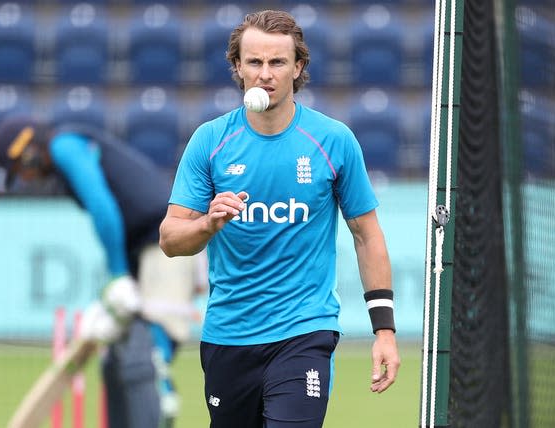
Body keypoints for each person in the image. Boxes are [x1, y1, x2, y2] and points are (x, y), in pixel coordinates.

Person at [159, 9, 400, 428]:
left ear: (298, 67)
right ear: (237, 67)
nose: (265, 74)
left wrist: (385, 330)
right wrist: (207, 225)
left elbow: (366, 235)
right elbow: (170, 239)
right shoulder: (211, 141)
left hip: (304, 330)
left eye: (277, 62)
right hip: (228, 335)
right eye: (254, 62)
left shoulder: (333, 140)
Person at [0, 116, 204, 428]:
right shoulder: (67, 153)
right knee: (116, 359)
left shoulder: (63, 145)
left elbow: (103, 208)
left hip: (163, 243)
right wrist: (112, 291)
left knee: (146, 359)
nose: (25, 178)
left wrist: (117, 277)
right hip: (142, 251)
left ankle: (162, 393)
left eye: (20, 169)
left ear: (28, 151)